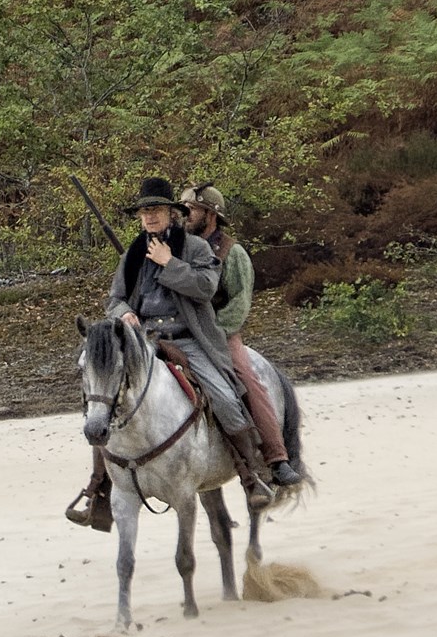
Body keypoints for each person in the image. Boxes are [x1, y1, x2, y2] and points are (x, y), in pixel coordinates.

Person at [65, 176, 288, 530]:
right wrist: (123, 313)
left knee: (226, 398)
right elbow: (114, 298)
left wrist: (170, 264)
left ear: (171, 213)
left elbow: (204, 288)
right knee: (106, 403)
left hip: (189, 339)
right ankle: (99, 491)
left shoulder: (196, 250)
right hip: (144, 341)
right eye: (143, 212)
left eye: (155, 210)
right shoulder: (133, 254)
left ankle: (251, 476)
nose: (149, 218)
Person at [181, 182, 297, 484]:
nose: (185, 215)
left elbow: (239, 304)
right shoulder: (180, 248)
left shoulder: (234, 254)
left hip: (220, 335)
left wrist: (212, 332)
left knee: (247, 377)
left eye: (191, 210)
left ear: (211, 214)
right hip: (178, 332)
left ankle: (276, 456)